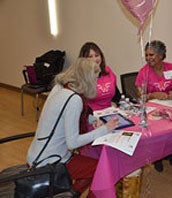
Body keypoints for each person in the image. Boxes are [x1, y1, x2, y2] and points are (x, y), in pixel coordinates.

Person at [26, 58, 120, 197]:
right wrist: (104, 129)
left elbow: (66, 115)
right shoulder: (74, 99)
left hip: (37, 154)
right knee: (102, 170)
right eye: (94, 79)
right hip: (49, 161)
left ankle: (70, 194)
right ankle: (72, 194)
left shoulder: (60, 88)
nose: (96, 83)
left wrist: (92, 119)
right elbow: (73, 142)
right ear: (86, 79)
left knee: (95, 168)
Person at [135, 40, 172, 172]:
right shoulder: (143, 72)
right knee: (159, 131)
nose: (148, 58)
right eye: (146, 55)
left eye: (151, 55)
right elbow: (140, 96)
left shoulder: (171, 68)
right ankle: (157, 158)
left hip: (170, 105)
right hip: (152, 110)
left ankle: (170, 153)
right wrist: (154, 95)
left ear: (161, 55)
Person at [79, 42, 121, 111]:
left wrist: (115, 103)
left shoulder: (108, 71)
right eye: (90, 56)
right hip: (92, 115)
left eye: (97, 55)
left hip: (110, 112)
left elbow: (117, 95)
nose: (95, 59)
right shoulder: (81, 76)